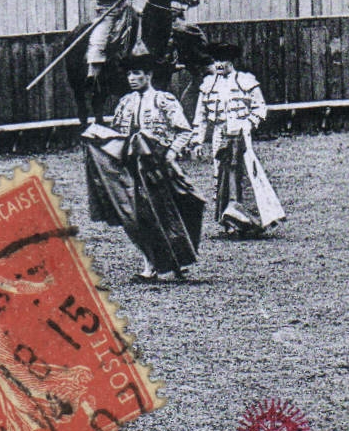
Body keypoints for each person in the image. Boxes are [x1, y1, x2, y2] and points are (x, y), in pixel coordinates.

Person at [82, 56, 205, 282]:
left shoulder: (164, 100)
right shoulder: (125, 102)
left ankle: (177, 263)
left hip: (159, 168)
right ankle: (149, 265)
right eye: (129, 74)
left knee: (172, 212)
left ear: (148, 75)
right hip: (132, 169)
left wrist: (171, 153)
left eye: (136, 74)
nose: (132, 79)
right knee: (138, 217)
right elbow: (118, 135)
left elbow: (184, 131)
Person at [191, 42, 283, 237]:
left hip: (241, 132)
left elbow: (260, 107)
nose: (219, 64)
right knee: (220, 175)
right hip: (219, 133)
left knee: (245, 173)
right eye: (216, 60)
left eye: (223, 60)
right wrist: (198, 140)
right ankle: (229, 222)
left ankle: (251, 220)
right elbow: (200, 115)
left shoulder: (245, 80)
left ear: (232, 61)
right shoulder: (208, 84)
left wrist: (247, 124)